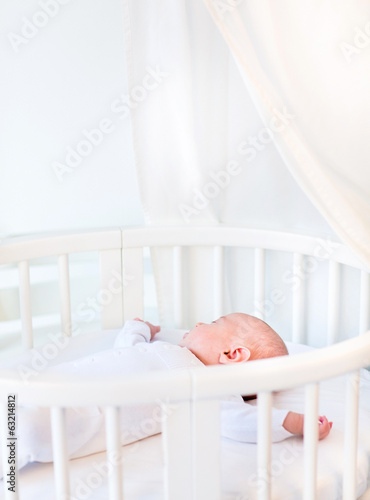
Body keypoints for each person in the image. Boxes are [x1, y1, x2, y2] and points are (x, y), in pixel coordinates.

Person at [0, 313, 332, 477]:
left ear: (233, 354)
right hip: (52, 383)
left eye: (214, 322)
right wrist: (139, 328)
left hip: (80, 416)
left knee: (28, 430)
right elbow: (128, 349)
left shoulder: (202, 386)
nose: (200, 322)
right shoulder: (167, 352)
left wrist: (291, 421)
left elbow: (238, 422)